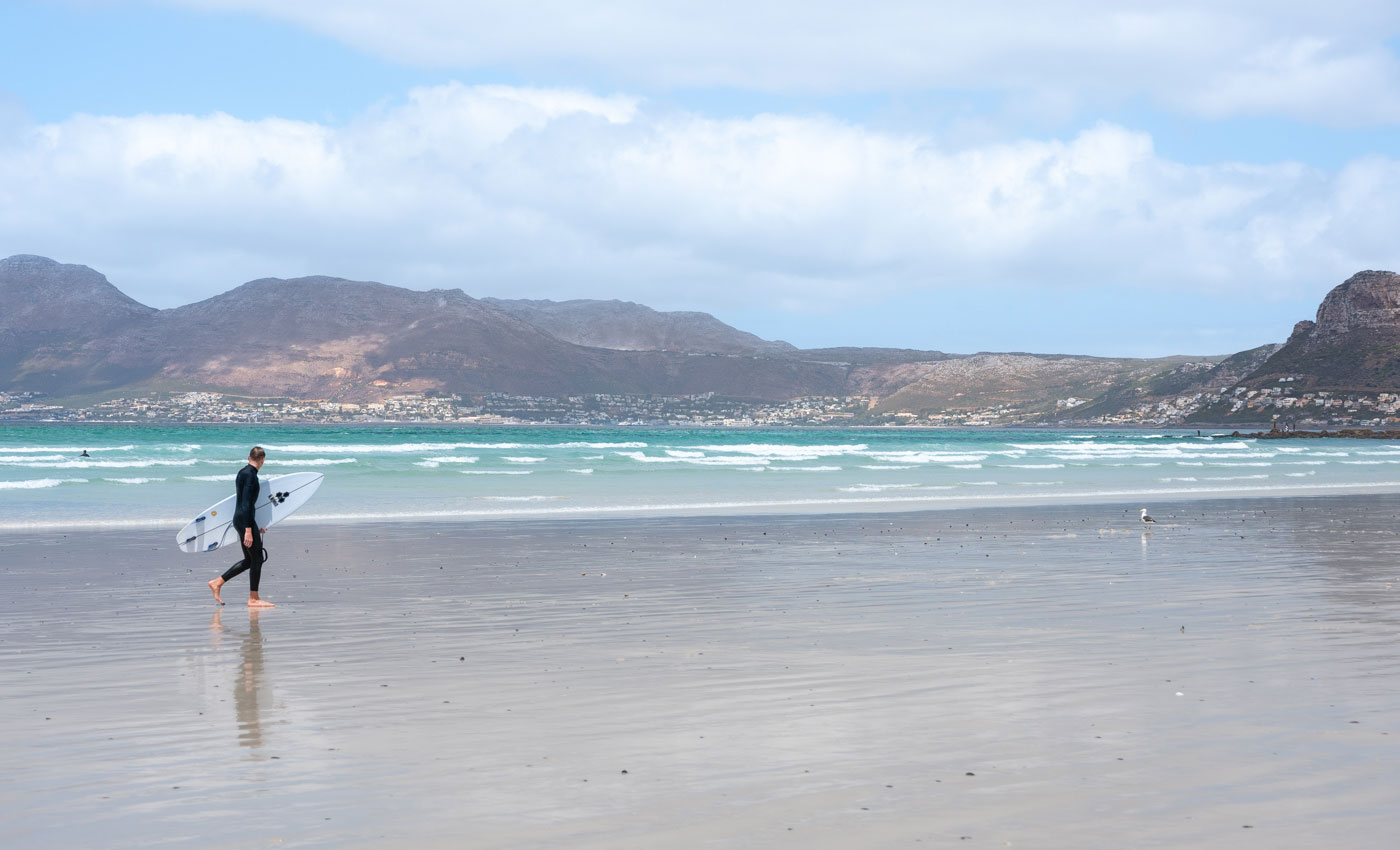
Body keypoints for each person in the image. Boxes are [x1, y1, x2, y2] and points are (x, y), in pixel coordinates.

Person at [208, 447, 273, 607]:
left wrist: (254, 526)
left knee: (250, 560)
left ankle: (217, 582)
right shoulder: (251, 476)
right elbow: (247, 504)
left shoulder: (242, 472)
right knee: (257, 558)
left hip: (242, 519)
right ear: (262, 460)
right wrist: (249, 529)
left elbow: (245, 504)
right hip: (245, 521)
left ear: (249, 457)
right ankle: (253, 599)